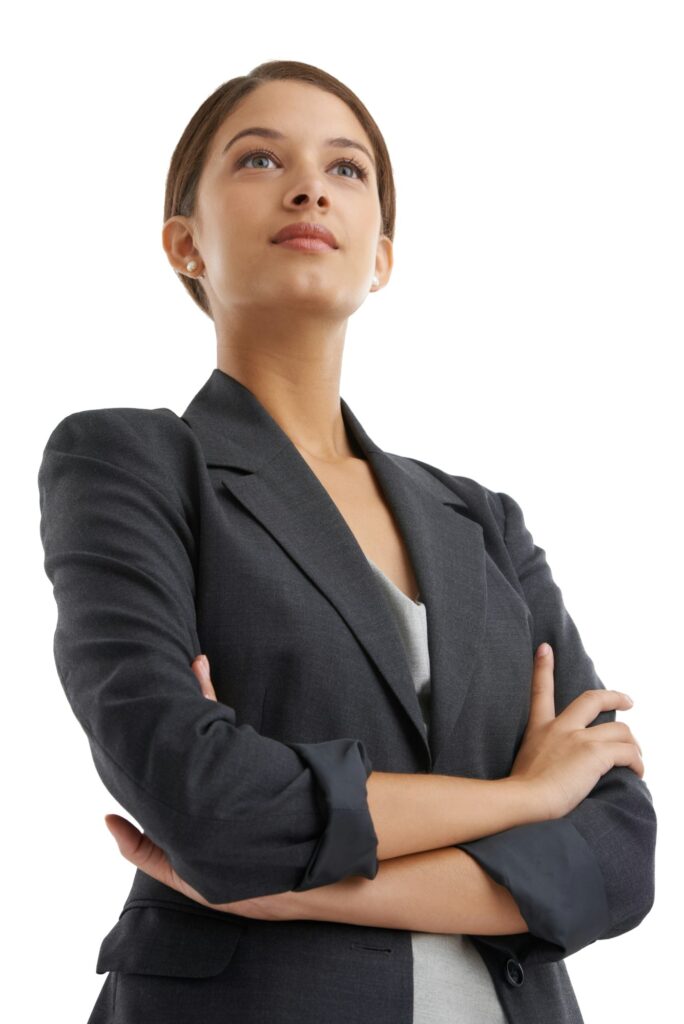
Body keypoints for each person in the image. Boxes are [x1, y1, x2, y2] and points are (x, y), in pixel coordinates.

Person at [37, 60, 656, 1024]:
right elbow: (197, 792)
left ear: (382, 257)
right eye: (258, 160)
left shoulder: (483, 521)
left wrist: (295, 885)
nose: (309, 185)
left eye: (348, 168)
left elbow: (617, 856)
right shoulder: (133, 462)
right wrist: (520, 799)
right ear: (185, 243)